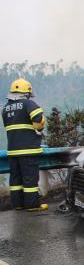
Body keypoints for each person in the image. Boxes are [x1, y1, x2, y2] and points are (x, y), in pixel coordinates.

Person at [1, 78, 48, 211]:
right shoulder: (28, 103)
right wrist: (38, 128)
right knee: (29, 180)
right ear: (26, 92)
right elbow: (38, 118)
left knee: (15, 180)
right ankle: (32, 205)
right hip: (27, 150)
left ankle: (18, 205)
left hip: (12, 151)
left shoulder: (5, 108)